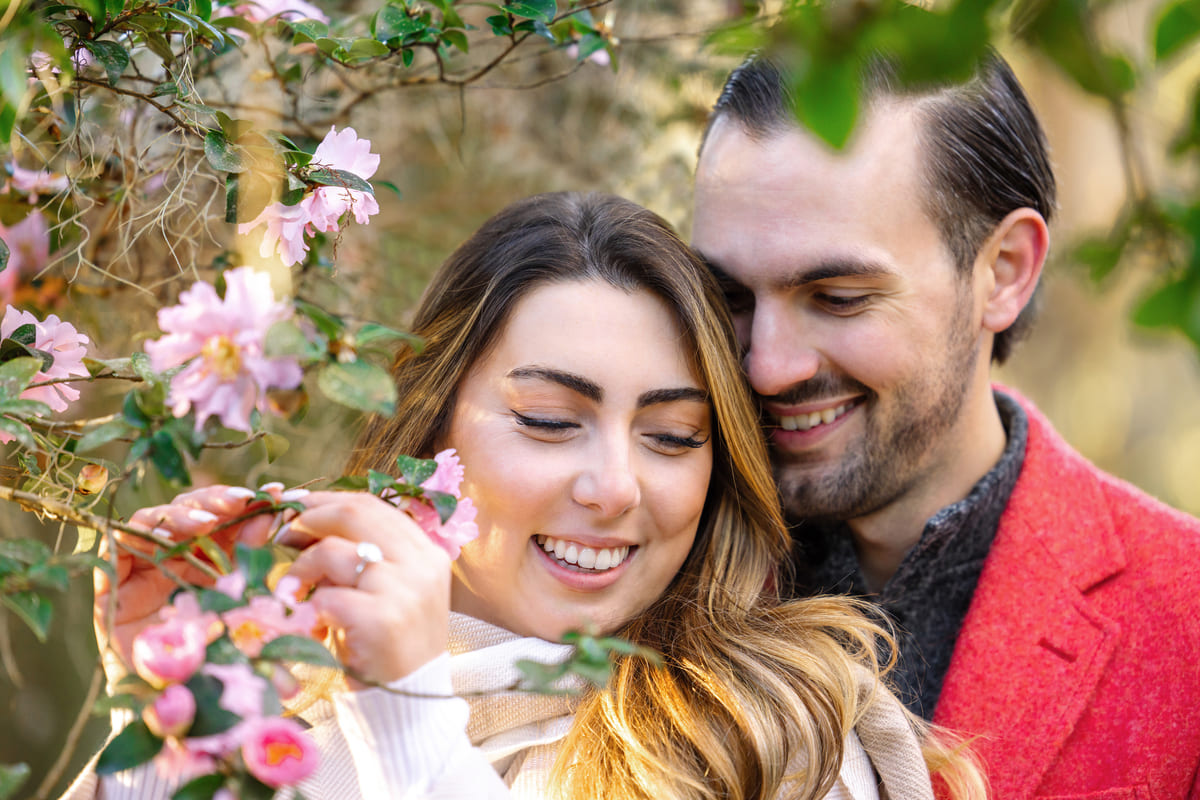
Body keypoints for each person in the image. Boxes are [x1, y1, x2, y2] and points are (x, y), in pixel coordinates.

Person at [71, 192, 984, 800]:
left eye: (671, 437)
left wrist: (408, 713)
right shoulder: (294, 716)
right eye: (550, 420)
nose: (617, 487)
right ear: (430, 430)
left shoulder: (778, 740)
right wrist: (169, 717)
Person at [691, 52, 1200, 799]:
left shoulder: (1186, 622)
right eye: (729, 296)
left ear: (1003, 271)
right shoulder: (632, 565)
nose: (768, 368)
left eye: (836, 297)